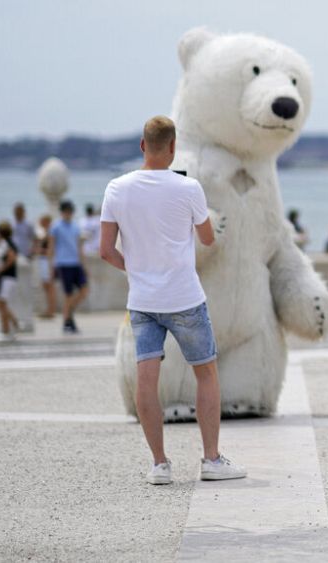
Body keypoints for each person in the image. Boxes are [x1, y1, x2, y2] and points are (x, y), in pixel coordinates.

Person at [99, 115, 246, 485]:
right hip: (184, 298)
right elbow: (209, 239)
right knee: (206, 374)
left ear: (142, 146)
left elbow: (105, 251)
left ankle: (160, 465)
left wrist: (135, 270)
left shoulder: (116, 188)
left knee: (146, 382)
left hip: (143, 301)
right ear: (173, 147)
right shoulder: (189, 188)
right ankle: (211, 460)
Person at [49, 200, 89, 334]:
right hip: (63, 263)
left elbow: (79, 247)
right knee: (68, 295)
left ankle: (68, 313)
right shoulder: (55, 227)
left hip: (75, 263)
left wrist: (84, 265)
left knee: (84, 291)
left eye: (70, 211)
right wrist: (51, 266)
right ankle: (67, 321)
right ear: (62, 212)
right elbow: (51, 247)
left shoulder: (76, 227)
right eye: (66, 211)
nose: (69, 213)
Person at [0, 221, 20, 341]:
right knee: (1, 303)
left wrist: (0, 269)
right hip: (6, 277)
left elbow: (11, 258)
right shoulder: (4, 243)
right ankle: (11, 325)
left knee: (0, 303)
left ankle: (7, 330)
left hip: (8, 277)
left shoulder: (8, 244)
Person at [33, 214, 57, 319]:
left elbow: (52, 249)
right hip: (44, 261)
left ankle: (51, 310)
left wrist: (40, 250)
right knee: (46, 286)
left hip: (47, 261)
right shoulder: (46, 233)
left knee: (49, 286)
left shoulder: (50, 233)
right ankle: (49, 309)